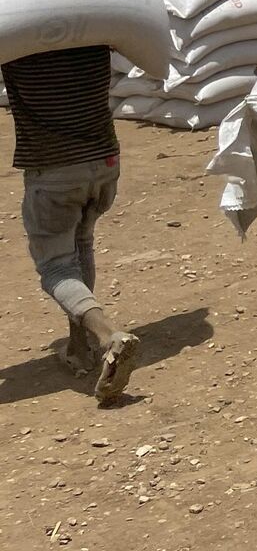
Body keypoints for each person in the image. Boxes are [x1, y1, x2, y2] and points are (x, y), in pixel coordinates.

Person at [4, 30, 145, 404]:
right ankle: (79, 346)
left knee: (55, 267)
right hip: (105, 162)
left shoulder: (16, 40)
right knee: (82, 244)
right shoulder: (97, 29)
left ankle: (107, 336)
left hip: (53, 170)